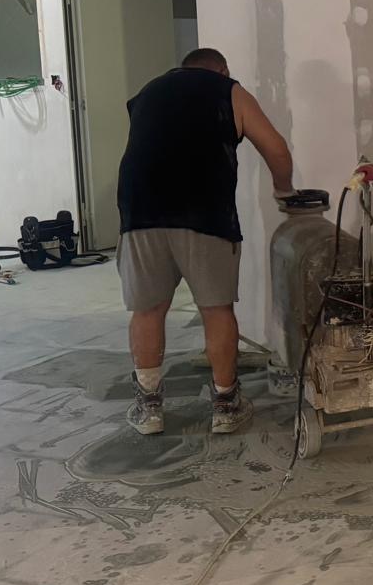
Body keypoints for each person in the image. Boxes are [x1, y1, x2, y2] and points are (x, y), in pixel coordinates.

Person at [116, 48, 294, 436]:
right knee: (216, 310)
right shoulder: (229, 90)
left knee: (147, 310)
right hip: (205, 212)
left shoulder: (149, 91)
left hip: (141, 210)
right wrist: (284, 190)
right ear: (223, 70)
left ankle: (149, 407)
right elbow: (276, 148)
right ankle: (226, 405)